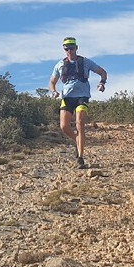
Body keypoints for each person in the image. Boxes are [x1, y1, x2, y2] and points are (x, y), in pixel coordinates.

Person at [48, 37, 107, 168]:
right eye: (66, 49)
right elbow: (52, 82)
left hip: (82, 96)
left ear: (76, 48)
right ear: (64, 50)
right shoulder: (59, 65)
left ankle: (80, 158)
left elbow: (103, 72)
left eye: (72, 48)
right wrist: (53, 91)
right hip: (67, 97)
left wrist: (102, 83)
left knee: (80, 123)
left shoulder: (86, 62)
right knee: (64, 126)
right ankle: (77, 140)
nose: (69, 51)